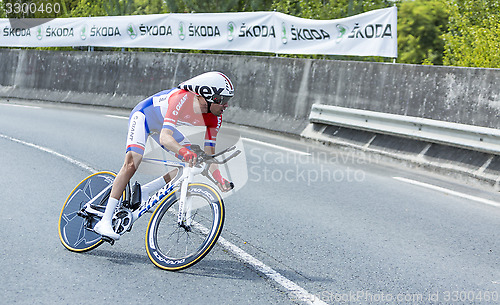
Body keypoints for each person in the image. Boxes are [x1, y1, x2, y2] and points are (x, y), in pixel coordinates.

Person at [94, 71, 234, 240]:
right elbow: (165, 138)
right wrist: (184, 151)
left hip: (164, 127)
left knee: (195, 162)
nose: (226, 106)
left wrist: (219, 178)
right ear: (207, 96)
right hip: (144, 117)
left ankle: (146, 191)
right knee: (132, 163)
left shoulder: (215, 119)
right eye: (223, 100)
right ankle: (105, 221)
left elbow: (209, 155)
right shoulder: (181, 97)